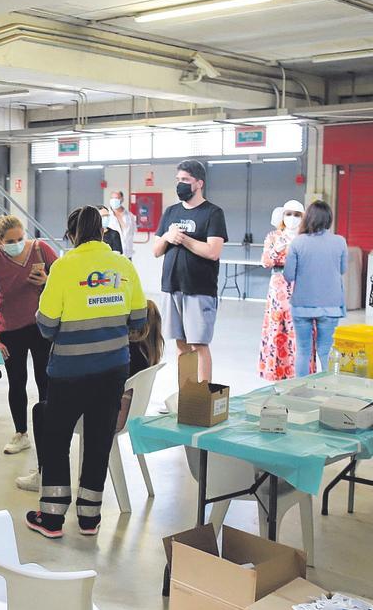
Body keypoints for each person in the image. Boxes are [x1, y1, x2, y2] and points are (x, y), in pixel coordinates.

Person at [26, 206, 147, 539]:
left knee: (56, 437)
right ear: (104, 233)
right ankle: (90, 519)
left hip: (70, 371)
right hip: (112, 370)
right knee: (98, 440)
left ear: (71, 234)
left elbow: (47, 325)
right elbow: (139, 319)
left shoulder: (64, 267)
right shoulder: (124, 266)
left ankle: (51, 518)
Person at [0, 215, 58, 456]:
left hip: (40, 325)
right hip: (10, 329)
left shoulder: (40, 249)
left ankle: (49, 429)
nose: (16, 243)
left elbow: (63, 282)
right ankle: (21, 433)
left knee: (45, 378)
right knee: (17, 381)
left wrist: (47, 281)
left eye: (20, 238)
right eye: (10, 240)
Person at [152, 159, 227, 382]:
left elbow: (213, 251)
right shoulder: (171, 212)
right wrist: (167, 237)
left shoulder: (213, 213)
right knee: (181, 344)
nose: (180, 184)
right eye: (178, 180)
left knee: (198, 344)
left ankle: (202, 397)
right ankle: (186, 396)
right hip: (172, 287)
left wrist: (183, 239)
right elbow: (156, 250)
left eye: (185, 180)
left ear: (199, 183)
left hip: (199, 289)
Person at [284, 201, 347, 376]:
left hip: (302, 305)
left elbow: (288, 275)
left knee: (303, 351)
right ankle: (328, 389)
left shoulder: (297, 243)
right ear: (329, 219)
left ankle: (301, 392)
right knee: (326, 351)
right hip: (331, 306)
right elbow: (342, 269)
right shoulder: (340, 241)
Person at [258, 200, 303, 381]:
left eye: (297, 214)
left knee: (298, 328)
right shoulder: (273, 236)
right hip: (278, 287)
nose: (292, 218)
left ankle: (297, 372)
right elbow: (265, 262)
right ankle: (275, 371)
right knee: (277, 327)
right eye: (289, 214)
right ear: (283, 215)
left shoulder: (305, 237)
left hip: (300, 286)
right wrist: (276, 251)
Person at [108, 190, 137, 258]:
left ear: (122, 199)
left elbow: (133, 232)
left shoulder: (130, 216)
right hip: (112, 254)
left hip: (127, 255)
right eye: (112, 198)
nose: (114, 200)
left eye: (117, 198)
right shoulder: (107, 216)